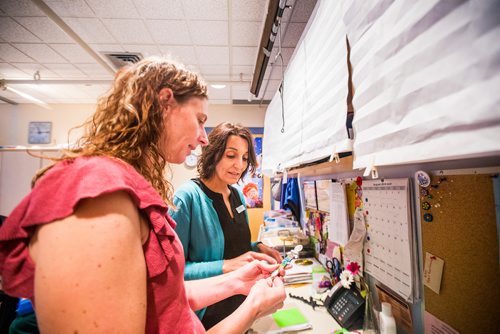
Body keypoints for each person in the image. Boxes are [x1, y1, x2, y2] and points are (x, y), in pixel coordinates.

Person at [0, 57, 286, 333]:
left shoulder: (130, 189)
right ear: (164, 103)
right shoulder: (98, 194)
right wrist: (254, 307)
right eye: (199, 120)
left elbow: (161, 299)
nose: (203, 137)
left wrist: (237, 282)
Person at [169, 122, 282, 330]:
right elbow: (173, 272)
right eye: (231, 155)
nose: (239, 165)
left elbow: (233, 243)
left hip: (242, 306)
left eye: (245, 158)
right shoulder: (186, 199)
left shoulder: (237, 195)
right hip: (208, 315)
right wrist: (227, 265)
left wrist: (256, 247)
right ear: (213, 153)